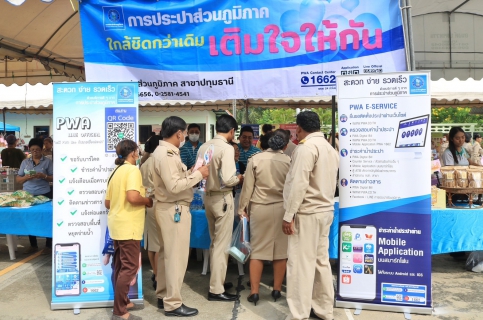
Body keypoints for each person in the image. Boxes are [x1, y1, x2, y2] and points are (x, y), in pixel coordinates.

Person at [282, 111, 339, 320]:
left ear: (298, 128)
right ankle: (324, 309)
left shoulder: (306, 148)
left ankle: (298, 314)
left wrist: (289, 215)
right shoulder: (329, 149)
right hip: (324, 211)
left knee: (299, 264)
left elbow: (298, 184)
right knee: (320, 262)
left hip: (307, 212)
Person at [152, 116, 209, 317]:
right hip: (173, 208)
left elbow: (175, 180)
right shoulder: (167, 154)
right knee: (175, 257)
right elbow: (174, 186)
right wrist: (199, 174)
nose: (186, 136)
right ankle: (173, 303)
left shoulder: (165, 152)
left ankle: (163, 295)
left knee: (167, 255)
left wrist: (192, 173)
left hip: (168, 207)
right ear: (178, 133)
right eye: (185, 133)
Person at [238, 129, 291, 306]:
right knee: (281, 253)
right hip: (282, 209)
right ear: (284, 145)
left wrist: (242, 209)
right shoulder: (289, 161)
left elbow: (247, 189)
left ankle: (254, 292)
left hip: (260, 208)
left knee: (258, 251)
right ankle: (276, 290)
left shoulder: (255, 159)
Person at [105, 139, 152, 320]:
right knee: (129, 267)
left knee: (119, 265)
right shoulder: (132, 170)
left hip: (116, 224)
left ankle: (122, 301)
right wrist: (147, 200)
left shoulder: (116, 171)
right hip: (129, 225)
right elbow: (133, 197)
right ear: (133, 152)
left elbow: (108, 202)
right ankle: (120, 311)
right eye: (137, 150)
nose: (139, 153)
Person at [197, 115, 243, 302]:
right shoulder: (227, 148)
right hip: (223, 198)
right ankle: (216, 290)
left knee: (215, 241)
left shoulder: (204, 146)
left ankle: (218, 281)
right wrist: (240, 178)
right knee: (222, 245)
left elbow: (198, 173)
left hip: (207, 197)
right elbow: (229, 178)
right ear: (232, 131)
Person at [17, 138, 53, 254]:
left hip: (44, 193)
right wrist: (26, 178)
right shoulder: (25, 162)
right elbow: (18, 179)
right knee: (30, 218)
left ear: (41, 149)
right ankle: (33, 245)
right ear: (30, 150)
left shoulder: (47, 162)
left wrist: (44, 176)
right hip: (28, 194)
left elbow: (55, 177)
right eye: (32, 150)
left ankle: (48, 245)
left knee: (47, 218)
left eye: (37, 149)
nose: (35, 152)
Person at [140, 135, 163, 290]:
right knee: (161, 245)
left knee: (151, 243)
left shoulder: (144, 164)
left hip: (147, 204)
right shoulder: (160, 162)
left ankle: (155, 273)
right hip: (159, 203)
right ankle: (159, 275)